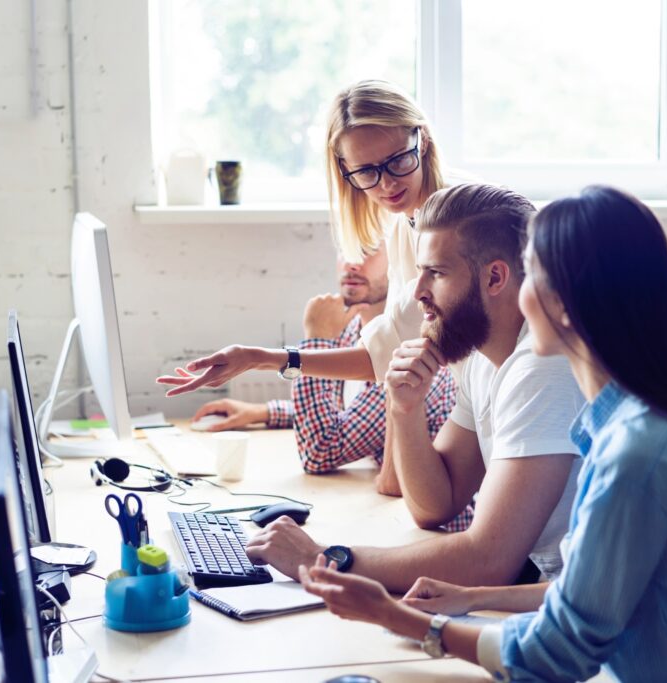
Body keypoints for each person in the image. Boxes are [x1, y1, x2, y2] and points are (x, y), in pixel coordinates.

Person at [298, 185, 667, 682]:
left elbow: (560, 650)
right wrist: (471, 597)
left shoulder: (636, 453)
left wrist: (396, 617)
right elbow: (587, 593)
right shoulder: (628, 422)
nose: (521, 296)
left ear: (564, 303)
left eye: (533, 277)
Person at [244, 183, 583, 592]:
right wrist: (405, 409)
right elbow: (435, 506)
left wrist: (321, 559)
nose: (418, 292)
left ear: (495, 277)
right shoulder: (482, 359)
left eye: (436, 273)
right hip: (542, 592)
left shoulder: (541, 367)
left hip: (582, 614)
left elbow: (488, 560)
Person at [157, 80, 451, 394]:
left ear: (422, 140)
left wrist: (259, 358)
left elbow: (382, 357)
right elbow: (388, 354)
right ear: (345, 169)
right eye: (366, 172)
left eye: (397, 161)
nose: (387, 185)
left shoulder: (452, 222)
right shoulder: (403, 224)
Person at [186, 247, 464, 532]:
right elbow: (352, 413)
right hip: (388, 514)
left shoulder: (412, 350)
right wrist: (265, 412)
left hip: (432, 532)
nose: (353, 263)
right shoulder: (353, 327)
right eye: (346, 249)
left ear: (396, 256)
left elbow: (321, 451)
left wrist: (317, 339)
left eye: (367, 250)